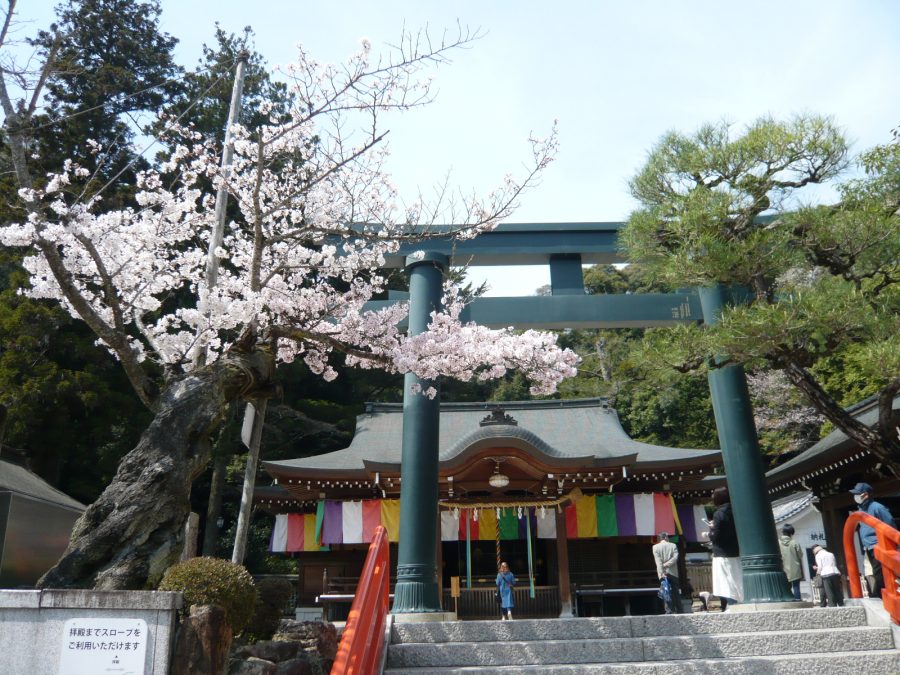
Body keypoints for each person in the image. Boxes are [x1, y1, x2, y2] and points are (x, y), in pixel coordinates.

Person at [850, 482, 895, 599]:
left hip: (879, 545)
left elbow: (890, 525)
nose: (855, 496)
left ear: (865, 495)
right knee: (876, 572)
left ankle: (878, 595)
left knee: (880, 573)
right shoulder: (861, 510)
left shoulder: (877, 507)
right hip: (868, 547)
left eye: (857, 494)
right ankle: (878, 594)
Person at [708, 486, 743, 610]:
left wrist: (710, 532)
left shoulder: (718, 514)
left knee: (725, 583)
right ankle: (739, 604)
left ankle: (732, 605)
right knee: (736, 580)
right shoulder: (736, 511)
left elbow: (716, 536)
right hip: (735, 550)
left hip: (722, 553)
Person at [652, 531, 683, 613]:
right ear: (666, 537)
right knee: (676, 591)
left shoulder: (655, 547)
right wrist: (667, 564)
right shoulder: (673, 545)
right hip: (673, 572)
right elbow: (675, 557)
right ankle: (679, 609)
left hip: (662, 573)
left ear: (660, 538)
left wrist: (661, 572)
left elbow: (658, 562)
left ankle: (669, 610)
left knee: (666, 591)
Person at [779, 524, 804, 600]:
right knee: (796, 587)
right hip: (795, 569)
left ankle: (787, 600)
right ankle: (798, 600)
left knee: (786, 587)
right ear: (791, 533)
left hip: (783, 569)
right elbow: (800, 555)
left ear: (783, 532)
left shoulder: (778, 542)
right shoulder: (794, 543)